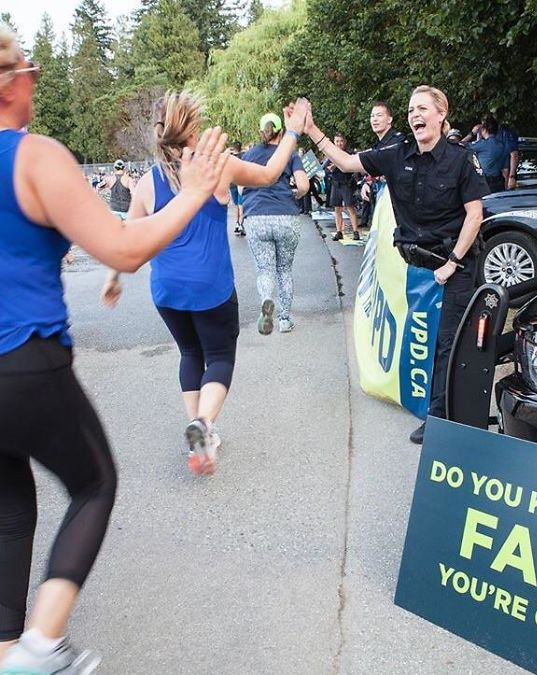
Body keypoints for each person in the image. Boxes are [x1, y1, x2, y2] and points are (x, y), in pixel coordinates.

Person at [0, 25, 229, 675]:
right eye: (31, 69)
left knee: (9, 510)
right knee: (94, 482)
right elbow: (124, 247)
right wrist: (191, 193)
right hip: (24, 358)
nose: (37, 80)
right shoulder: (33, 155)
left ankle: (9, 654)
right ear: (14, 84)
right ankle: (41, 646)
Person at [101, 94, 308, 475]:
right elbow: (268, 174)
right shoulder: (219, 166)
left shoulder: (148, 182)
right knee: (220, 356)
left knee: (190, 354)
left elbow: (126, 234)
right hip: (210, 287)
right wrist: (293, 131)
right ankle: (203, 426)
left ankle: (199, 436)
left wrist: (114, 278)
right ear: (193, 130)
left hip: (166, 291)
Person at [304, 85, 489, 444]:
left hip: (453, 267)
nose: (415, 115)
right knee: (416, 334)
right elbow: (345, 162)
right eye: (410, 111)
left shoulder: (460, 159)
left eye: (422, 108)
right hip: (415, 266)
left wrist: (452, 263)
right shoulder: (395, 152)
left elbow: (474, 215)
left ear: (440, 114)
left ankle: (441, 421)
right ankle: (419, 397)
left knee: (447, 344)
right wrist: (312, 130)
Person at [242, 112, 310, 334]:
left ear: (261, 131)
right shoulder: (289, 154)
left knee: (265, 269)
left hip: (256, 216)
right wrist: (295, 194)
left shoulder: (249, 154)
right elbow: (303, 185)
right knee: (284, 270)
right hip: (285, 216)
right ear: (281, 132)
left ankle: (267, 302)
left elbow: (242, 189)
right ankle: (284, 320)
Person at [359, 101, 405, 227]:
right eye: (372, 116)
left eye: (379, 115)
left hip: (397, 205)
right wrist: (367, 181)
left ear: (389, 119)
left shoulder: (397, 141)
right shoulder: (379, 145)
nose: (374, 119)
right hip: (383, 199)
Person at [326, 132, 360, 241]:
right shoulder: (331, 154)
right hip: (336, 183)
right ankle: (339, 231)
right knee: (337, 209)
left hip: (347, 183)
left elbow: (351, 166)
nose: (339, 143)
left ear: (344, 142)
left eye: (341, 141)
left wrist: (337, 163)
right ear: (334, 142)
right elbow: (327, 168)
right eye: (337, 141)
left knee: (350, 208)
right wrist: (331, 166)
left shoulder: (348, 153)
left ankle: (355, 231)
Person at [468, 116, 505, 192]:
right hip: (498, 179)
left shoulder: (483, 144)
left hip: (485, 180)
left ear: (484, 129)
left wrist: (472, 133)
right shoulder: (501, 144)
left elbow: (459, 145)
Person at [229, 140, 246, 235]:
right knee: (242, 206)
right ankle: (240, 225)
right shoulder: (244, 157)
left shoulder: (230, 158)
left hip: (232, 184)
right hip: (241, 184)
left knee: (236, 206)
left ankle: (237, 223)